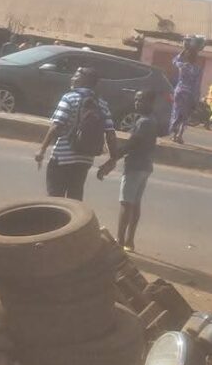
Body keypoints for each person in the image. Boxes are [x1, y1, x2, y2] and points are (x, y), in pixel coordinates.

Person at [35, 67, 118, 201]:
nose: (72, 78)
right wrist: (112, 159)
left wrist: (42, 149)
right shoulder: (101, 103)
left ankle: (56, 222)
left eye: (76, 76)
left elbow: (56, 125)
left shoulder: (69, 98)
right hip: (85, 159)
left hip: (62, 157)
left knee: (55, 199)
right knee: (75, 197)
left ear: (84, 80)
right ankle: (76, 221)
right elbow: (111, 133)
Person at [97, 90, 157, 252]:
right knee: (135, 203)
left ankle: (120, 241)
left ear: (150, 102)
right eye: (136, 100)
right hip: (145, 166)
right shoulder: (150, 120)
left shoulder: (144, 122)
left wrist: (112, 159)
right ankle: (129, 241)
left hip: (136, 166)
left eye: (141, 100)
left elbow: (132, 144)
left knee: (125, 203)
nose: (137, 103)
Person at [169, 41, 203, 143]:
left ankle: (174, 133)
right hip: (190, 93)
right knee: (185, 115)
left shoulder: (182, 65)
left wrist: (184, 50)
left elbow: (174, 60)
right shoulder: (198, 69)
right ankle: (179, 135)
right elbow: (197, 85)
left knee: (176, 112)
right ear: (196, 59)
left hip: (179, 91)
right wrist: (196, 99)